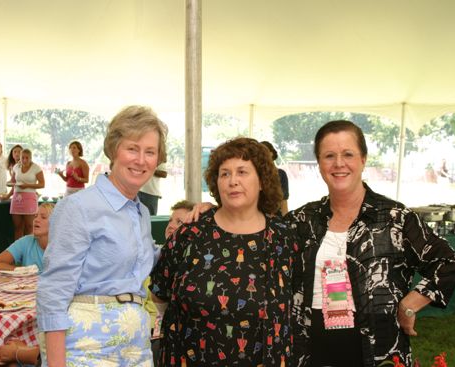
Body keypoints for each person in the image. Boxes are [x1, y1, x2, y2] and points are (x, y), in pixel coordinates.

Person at [287, 120, 455, 366]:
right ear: (319, 163)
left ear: (363, 159)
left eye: (348, 154)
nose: (339, 163)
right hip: (310, 350)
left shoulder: (395, 218)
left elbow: (447, 262)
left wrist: (412, 302)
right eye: (329, 156)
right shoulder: (301, 220)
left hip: (377, 350)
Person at [37, 105, 167, 366]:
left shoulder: (140, 212)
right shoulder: (79, 207)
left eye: (150, 152)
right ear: (113, 150)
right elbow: (53, 291)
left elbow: (148, 258)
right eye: (132, 148)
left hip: (135, 347)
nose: (141, 160)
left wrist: (198, 220)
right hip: (85, 348)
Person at [149, 137, 296, 366]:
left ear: (261, 181)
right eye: (224, 174)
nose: (232, 181)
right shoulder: (191, 233)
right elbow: (159, 290)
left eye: (242, 172)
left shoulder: (284, 238)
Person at [144, 199, 195, 367]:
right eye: (170, 221)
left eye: (179, 222)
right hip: (146, 329)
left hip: (162, 333)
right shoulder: (152, 254)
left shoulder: (192, 266)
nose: (171, 226)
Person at [0, 202, 55, 272]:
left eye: (43, 217)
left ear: (55, 223)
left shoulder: (63, 247)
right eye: (35, 216)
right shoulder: (26, 241)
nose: (36, 220)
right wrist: (22, 270)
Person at [6, 149, 45, 240]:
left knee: (29, 227)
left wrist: (27, 185)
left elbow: (42, 184)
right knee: (18, 227)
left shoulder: (36, 168)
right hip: (16, 198)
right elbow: (12, 181)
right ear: (20, 157)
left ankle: (29, 249)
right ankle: (17, 250)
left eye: (27, 158)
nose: (24, 160)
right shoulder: (16, 167)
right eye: (22, 157)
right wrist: (8, 183)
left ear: (31, 158)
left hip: (29, 198)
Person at [261, 141, 290, 215]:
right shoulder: (256, 175)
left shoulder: (281, 174)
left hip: (277, 217)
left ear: (271, 153)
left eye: (265, 153)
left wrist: (285, 221)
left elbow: (284, 201)